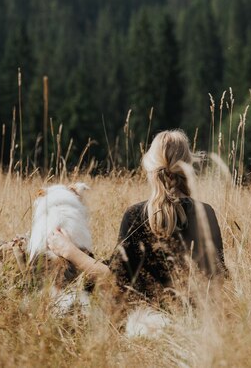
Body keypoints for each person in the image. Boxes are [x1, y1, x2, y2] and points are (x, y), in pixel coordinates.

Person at [48, 129, 227, 300]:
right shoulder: (206, 213)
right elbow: (217, 281)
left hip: (144, 323)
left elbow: (113, 279)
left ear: (150, 168)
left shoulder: (136, 216)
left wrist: (68, 250)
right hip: (197, 324)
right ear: (187, 166)